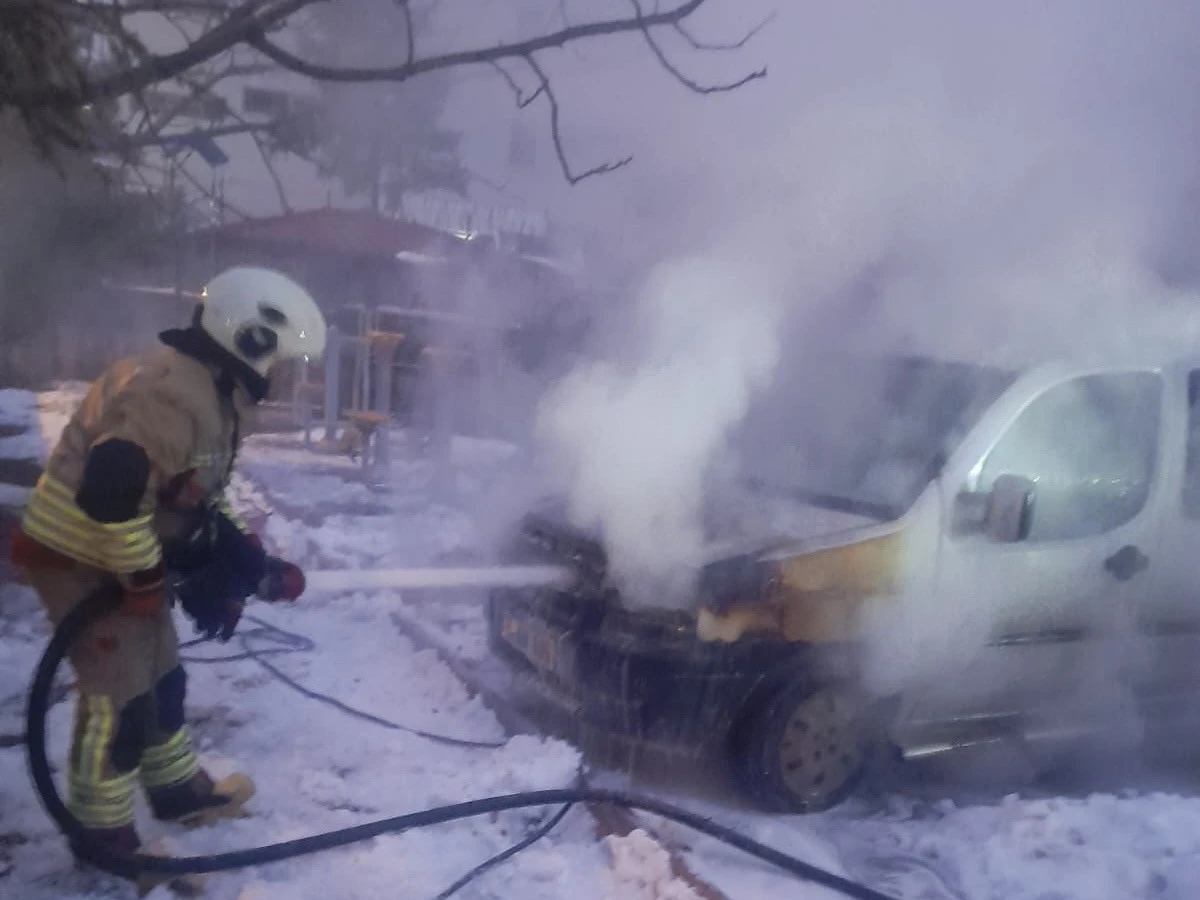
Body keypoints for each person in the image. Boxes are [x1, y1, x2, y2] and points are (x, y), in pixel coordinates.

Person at [9, 266, 326, 871]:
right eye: (281, 360)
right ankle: (101, 835)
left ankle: (175, 789)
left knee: (163, 676)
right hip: (78, 555)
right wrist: (142, 578)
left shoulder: (215, 396)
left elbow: (194, 491)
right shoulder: (172, 395)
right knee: (120, 697)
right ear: (250, 340)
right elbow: (112, 491)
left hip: (120, 551)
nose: (283, 375)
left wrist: (242, 557)